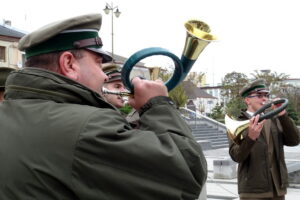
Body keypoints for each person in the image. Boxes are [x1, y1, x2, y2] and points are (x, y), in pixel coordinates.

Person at [0, 13, 207, 200]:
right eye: (98, 63)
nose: (104, 75)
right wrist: (158, 104)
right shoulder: (89, 126)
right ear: (69, 64)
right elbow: (187, 175)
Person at [228, 79, 300, 200]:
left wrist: (283, 115)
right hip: (253, 191)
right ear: (247, 100)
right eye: (259, 95)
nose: (264, 99)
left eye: (266, 95)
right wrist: (250, 138)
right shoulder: (237, 123)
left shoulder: (274, 119)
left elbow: (294, 141)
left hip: (277, 188)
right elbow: (236, 156)